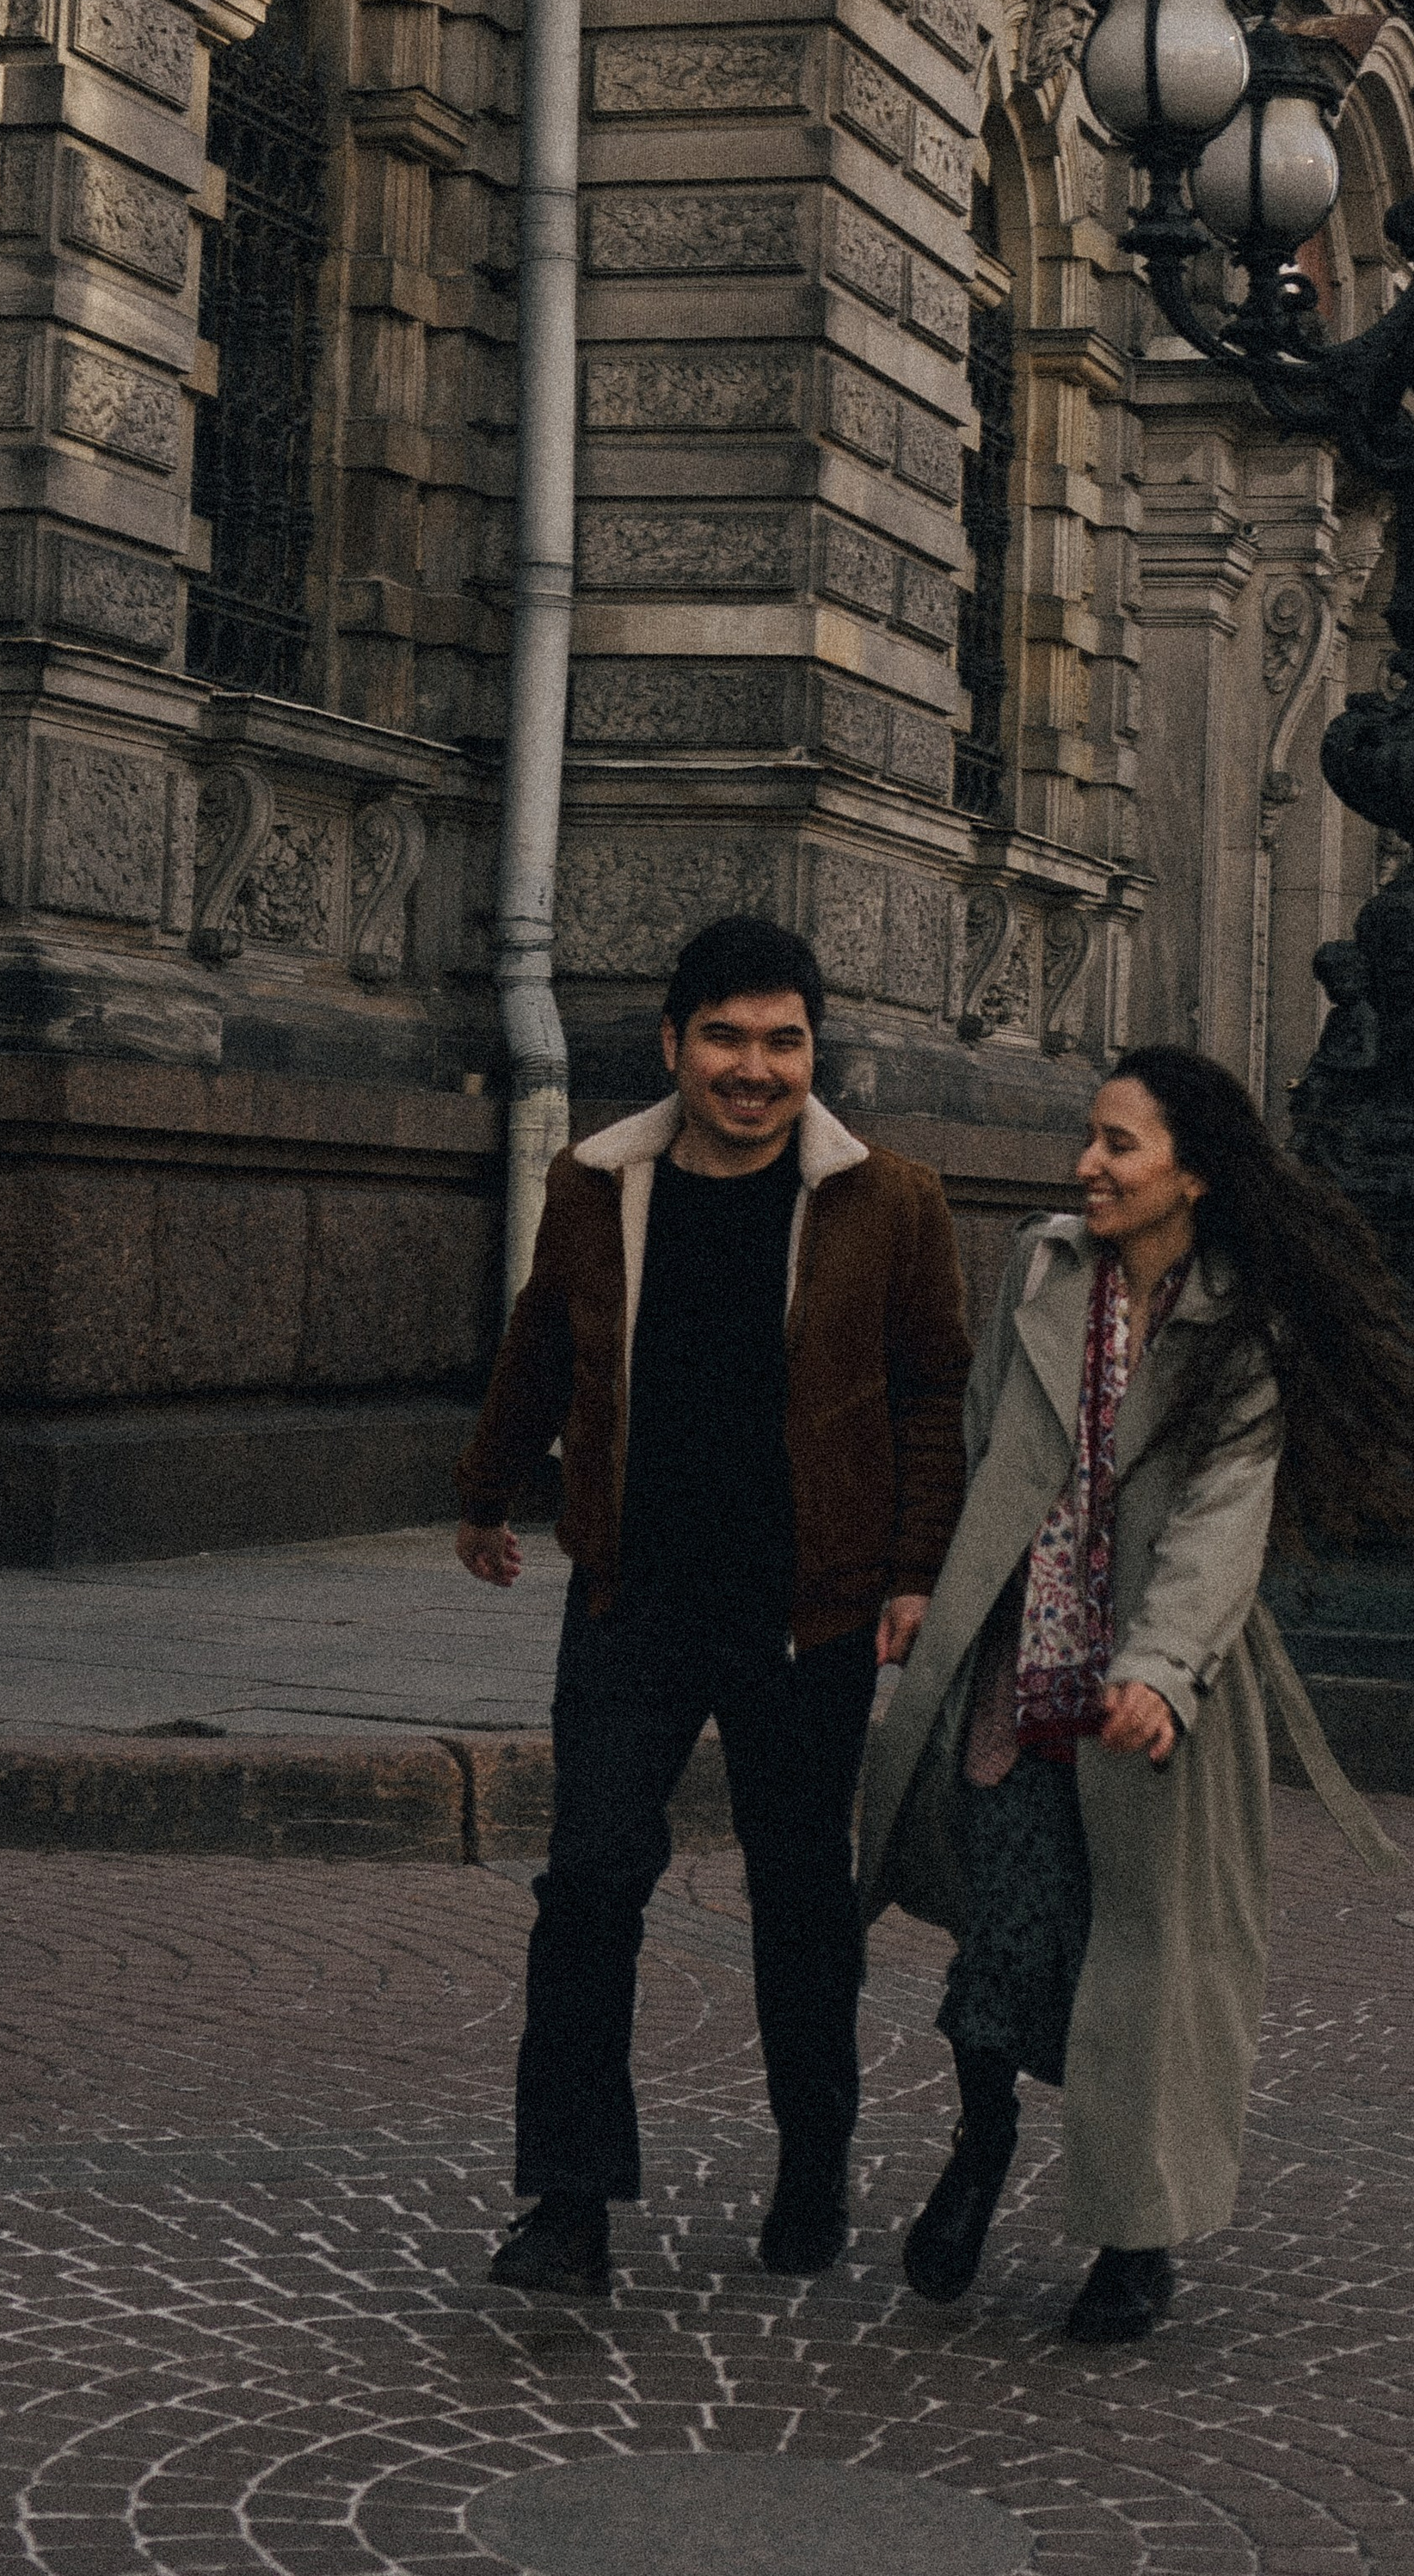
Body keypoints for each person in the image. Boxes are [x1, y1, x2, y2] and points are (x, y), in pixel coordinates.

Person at [858, 1047, 1414, 2345]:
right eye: (1089, 1140)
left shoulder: (1241, 1328)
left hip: (1158, 1706)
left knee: (1149, 1968)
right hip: (1016, 1677)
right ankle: (982, 2150)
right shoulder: (1039, 1272)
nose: (1085, 1165)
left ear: (1192, 1177)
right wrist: (922, 1581)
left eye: (1118, 1146)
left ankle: (1134, 2241)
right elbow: (982, 1442)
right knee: (1007, 1936)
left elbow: (1222, 1521)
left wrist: (1157, 1671)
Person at [456, 914, 971, 2296]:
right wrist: (487, 1490)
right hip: (635, 1595)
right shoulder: (595, 1182)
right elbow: (541, 1343)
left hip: (811, 1611)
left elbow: (935, 1399)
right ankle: (567, 2202)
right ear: (673, 1043)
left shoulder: (893, 1201)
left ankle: (813, 2164)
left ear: (815, 1052)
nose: (756, 1069)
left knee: (802, 1898)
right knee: (588, 1888)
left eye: (784, 1042)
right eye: (728, 1039)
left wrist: (916, 1572)